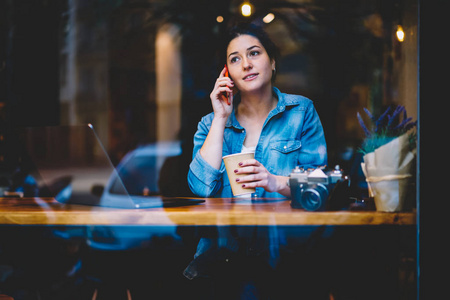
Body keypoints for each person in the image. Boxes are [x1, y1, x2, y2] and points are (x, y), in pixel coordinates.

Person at [184, 23, 329, 298]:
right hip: (223, 259)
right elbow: (200, 187)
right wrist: (220, 118)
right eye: (235, 59)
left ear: (272, 63)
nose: (246, 65)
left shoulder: (301, 112)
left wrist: (275, 181)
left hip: (287, 257)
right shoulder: (211, 124)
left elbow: (319, 188)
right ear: (227, 74)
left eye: (254, 53)